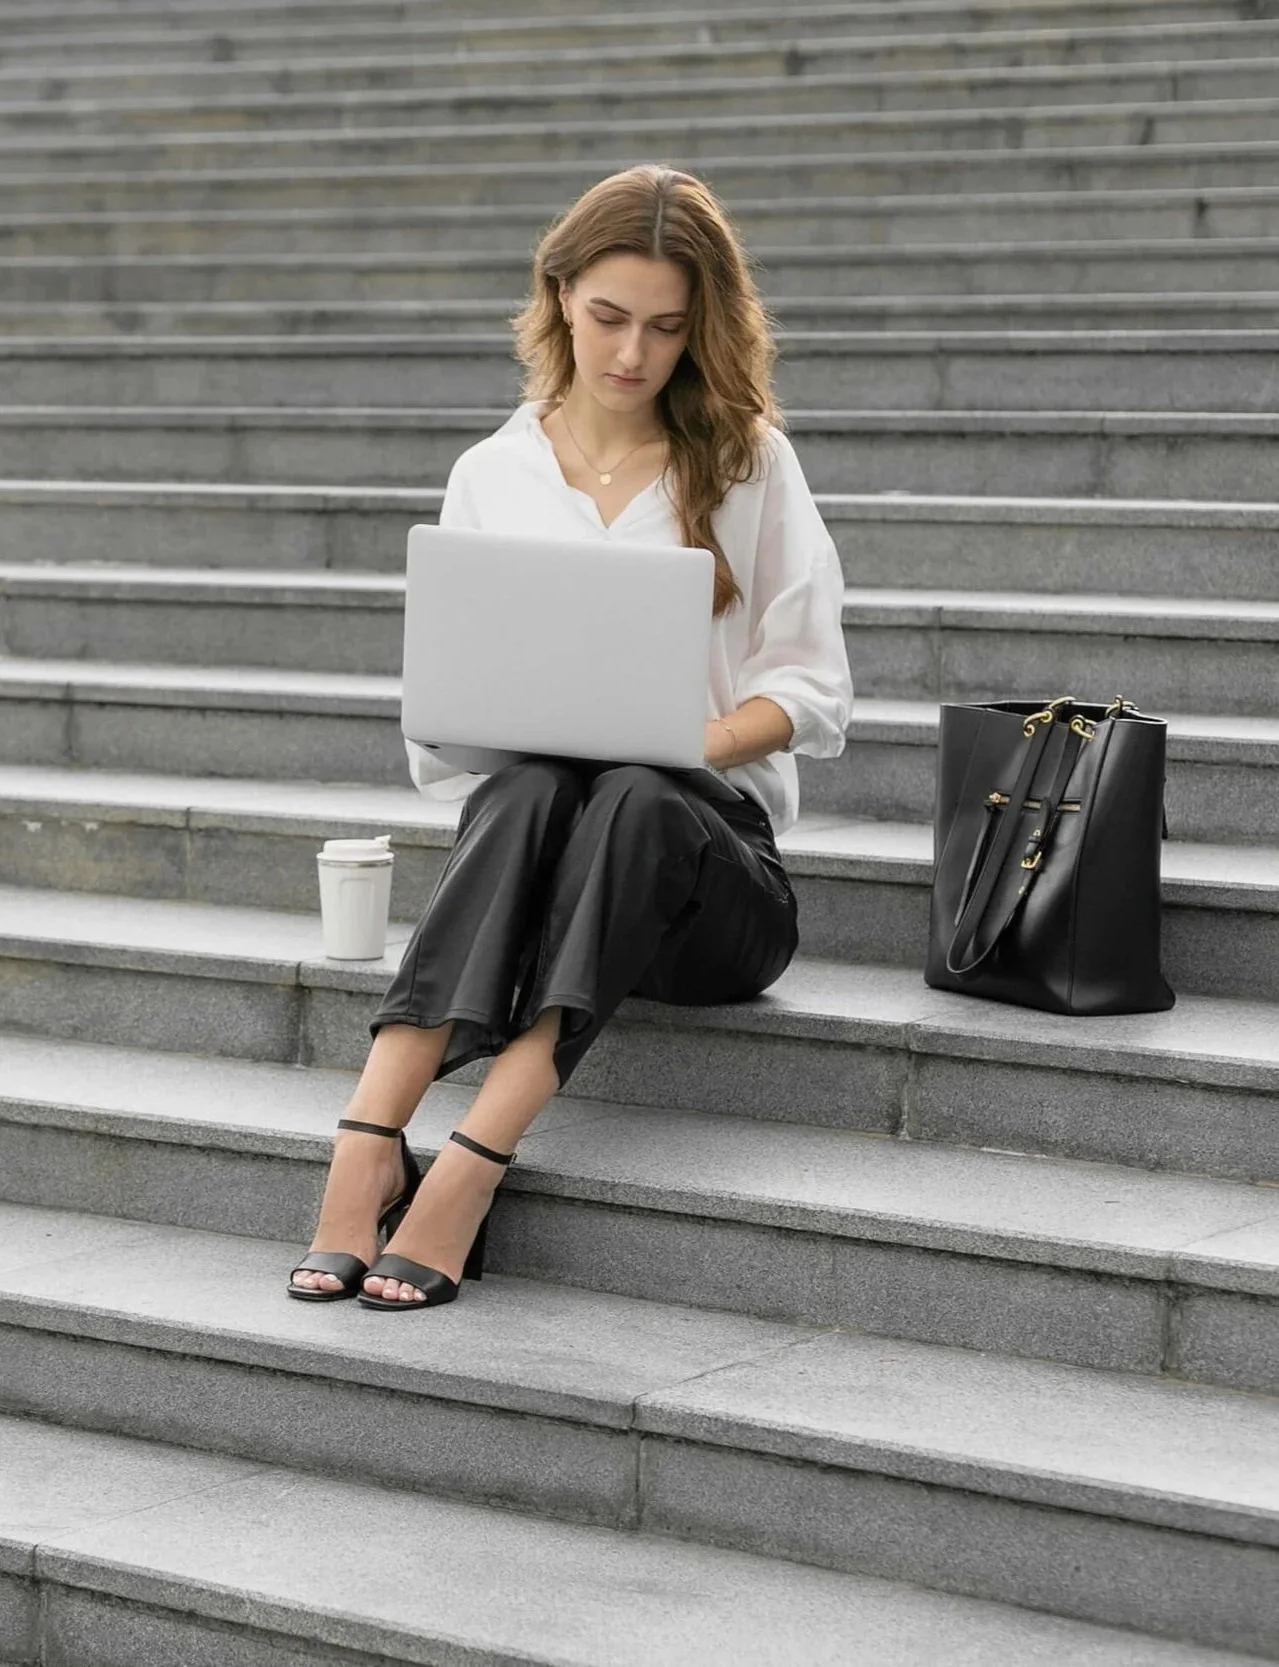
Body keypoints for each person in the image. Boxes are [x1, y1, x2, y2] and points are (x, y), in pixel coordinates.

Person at [286, 163, 853, 1312]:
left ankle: (469, 1161)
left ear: (700, 332)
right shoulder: (491, 473)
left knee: (640, 786)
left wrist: (689, 733)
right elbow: (446, 739)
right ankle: (372, 1129)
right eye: (606, 318)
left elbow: (811, 688)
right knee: (536, 778)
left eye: (663, 328)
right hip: (546, 851)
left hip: (712, 894)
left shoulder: (747, 461)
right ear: (555, 298)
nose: (631, 354)